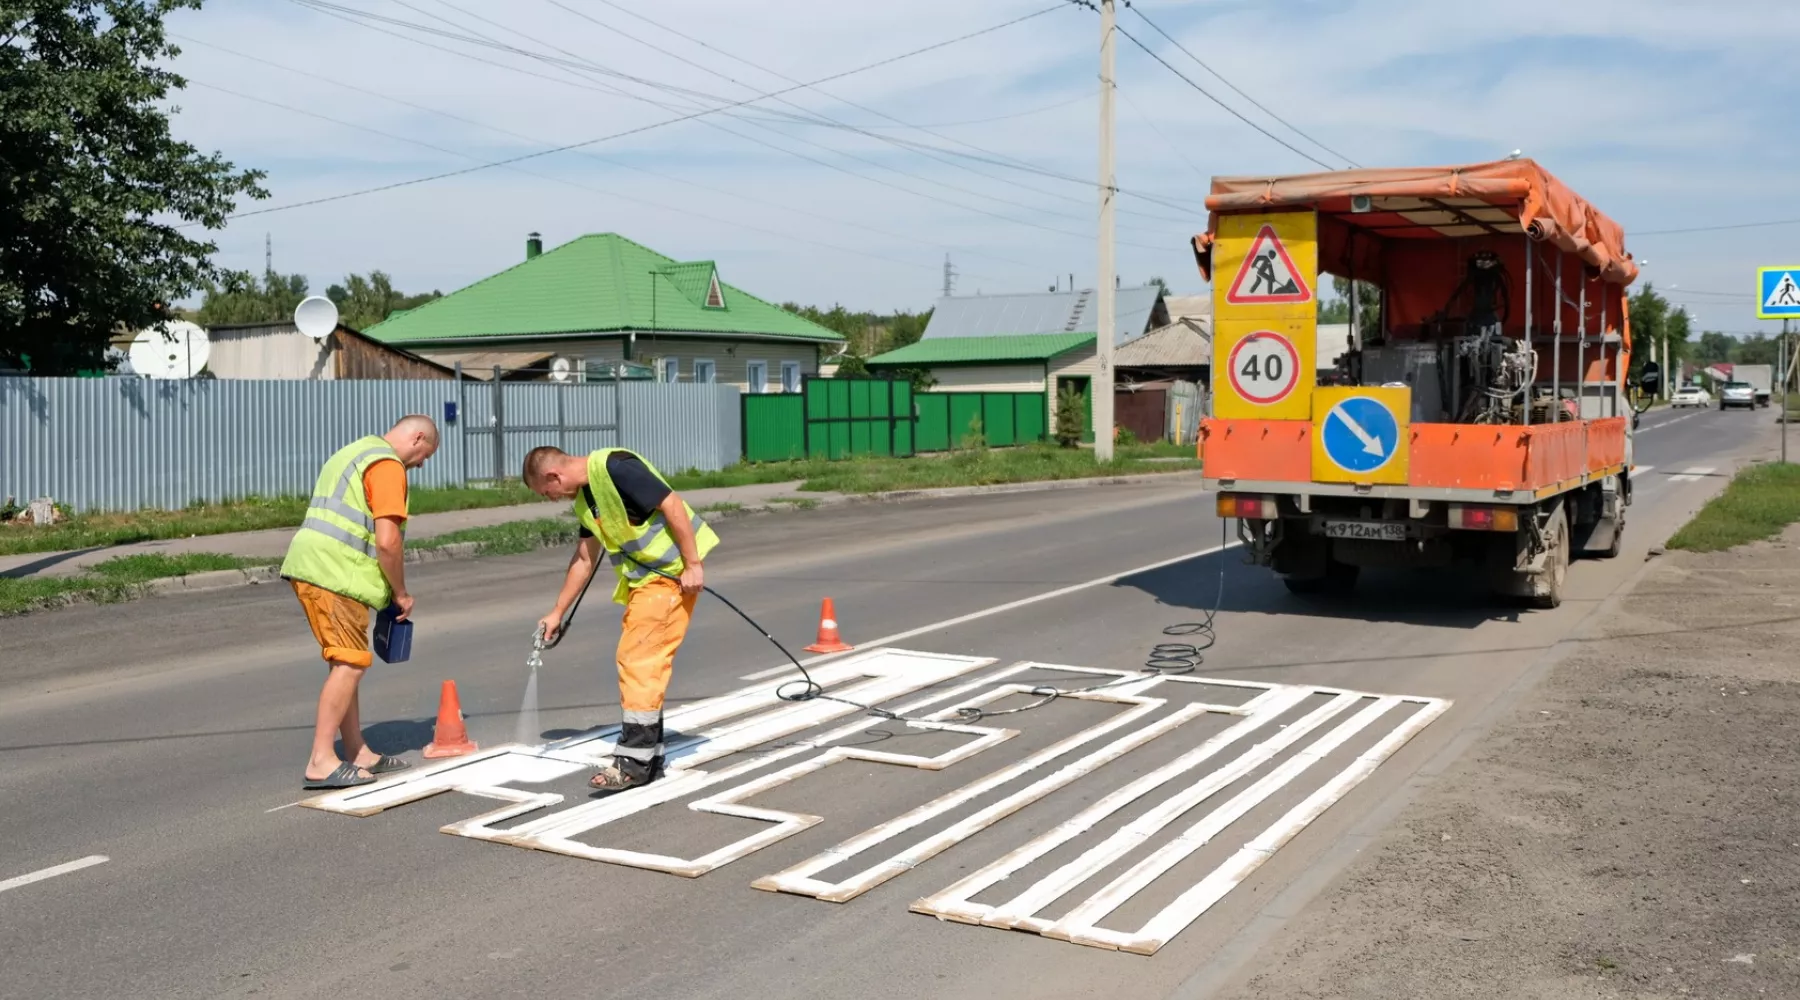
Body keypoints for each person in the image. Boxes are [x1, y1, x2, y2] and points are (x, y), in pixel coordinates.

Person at [522, 445, 719, 791]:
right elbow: (585, 559)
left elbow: (671, 503)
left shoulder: (615, 467)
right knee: (644, 663)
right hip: (646, 584)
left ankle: (633, 762)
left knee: (638, 661)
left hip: (670, 577)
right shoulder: (587, 499)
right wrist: (557, 612)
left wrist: (693, 565)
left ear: (553, 476)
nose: (550, 499)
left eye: (546, 492)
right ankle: (649, 757)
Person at [282, 415, 440, 789]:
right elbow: (387, 541)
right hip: (334, 573)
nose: (422, 464)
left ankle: (357, 751)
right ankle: (321, 760)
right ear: (417, 437)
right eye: (425, 454)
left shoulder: (353, 452)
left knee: (346, 661)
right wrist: (400, 592)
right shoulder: (386, 465)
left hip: (322, 568)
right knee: (350, 664)